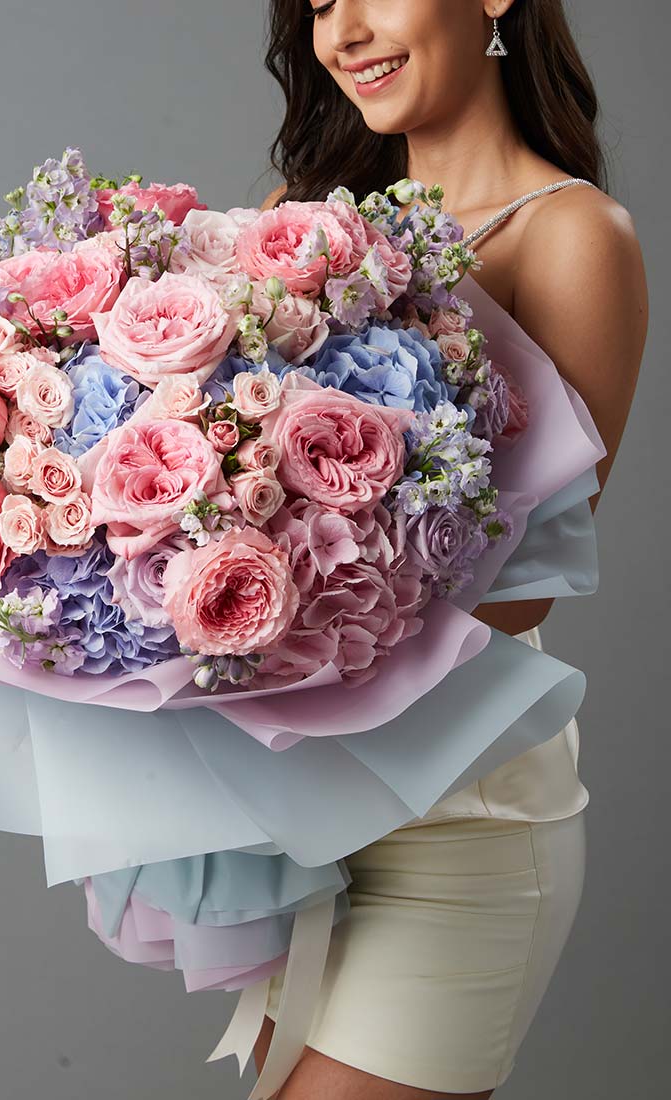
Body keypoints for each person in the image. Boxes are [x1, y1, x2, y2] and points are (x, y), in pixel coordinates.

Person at [253, 2, 648, 1097]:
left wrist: (294, 568)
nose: (344, 31)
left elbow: (525, 592)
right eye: (319, 5)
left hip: (459, 817)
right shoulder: (304, 219)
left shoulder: (570, 234)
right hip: (299, 812)